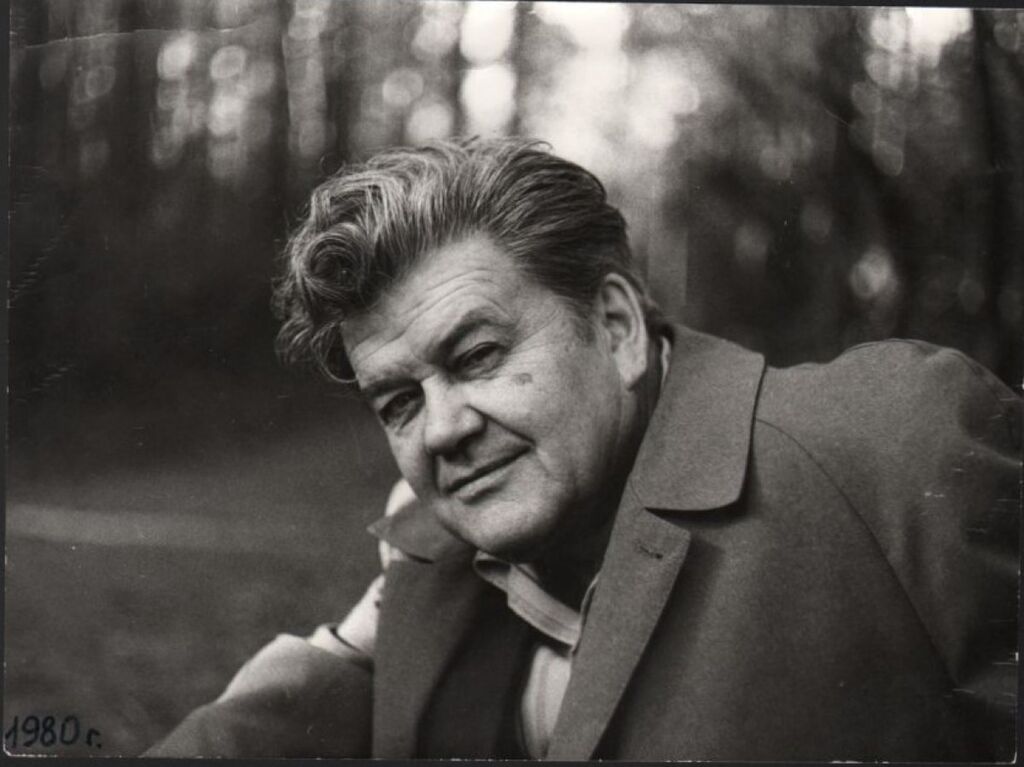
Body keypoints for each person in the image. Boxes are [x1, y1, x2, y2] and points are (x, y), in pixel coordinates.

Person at [147, 138, 1021, 760]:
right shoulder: (430, 548)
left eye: (477, 356)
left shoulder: (892, 444)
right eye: (400, 401)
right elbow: (300, 705)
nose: (442, 428)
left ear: (616, 325)